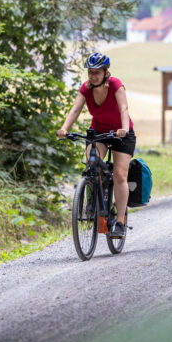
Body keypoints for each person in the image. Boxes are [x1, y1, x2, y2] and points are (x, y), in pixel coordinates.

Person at [57, 52, 136, 239]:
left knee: (119, 175)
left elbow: (124, 108)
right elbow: (75, 109)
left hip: (121, 134)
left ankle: (119, 222)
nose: (92, 76)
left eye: (96, 73)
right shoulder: (86, 88)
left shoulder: (115, 84)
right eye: (90, 72)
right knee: (92, 165)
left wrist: (124, 129)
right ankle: (93, 198)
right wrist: (64, 128)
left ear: (106, 73)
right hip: (99, 132)